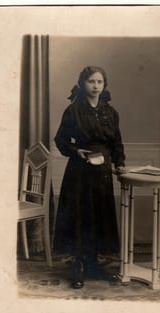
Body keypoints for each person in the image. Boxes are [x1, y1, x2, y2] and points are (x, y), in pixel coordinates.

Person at [54, 66, 126, 289]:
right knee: (80, 217)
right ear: (82, 83)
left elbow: (116, 142)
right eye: (91, 81)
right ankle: (78, 266)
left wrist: (120, 163)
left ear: (104, 85)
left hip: (103, 173)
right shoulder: (73, 110)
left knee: (99, 216)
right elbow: (61, 140)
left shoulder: (110, 112)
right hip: (79, 172)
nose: (95, 86)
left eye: (99, 82)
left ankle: (94, 264)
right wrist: (77, 151)